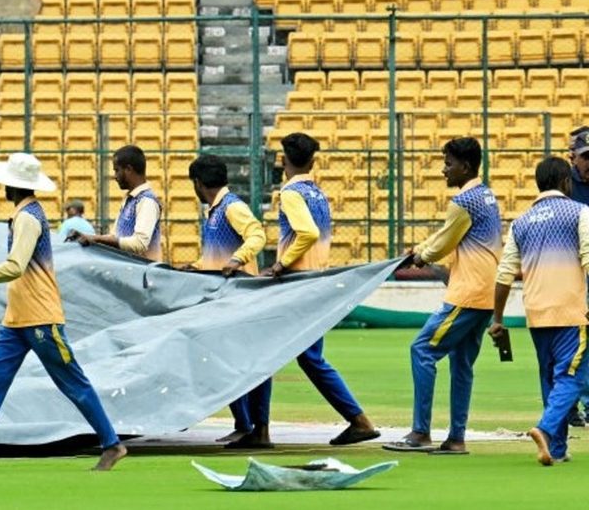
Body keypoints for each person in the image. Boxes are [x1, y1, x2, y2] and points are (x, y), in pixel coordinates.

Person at [0, 152, 127, 473]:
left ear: (12, 186)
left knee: (71, 381)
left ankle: (112, 443)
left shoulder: (27, 217)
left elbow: (15, 266)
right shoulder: (24, 214)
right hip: (18, 318)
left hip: (40, 317)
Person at [229, 133, 380, 449]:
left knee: (280, 354)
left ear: (283, 160)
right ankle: (262, 428)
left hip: (298, 282)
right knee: (304, 358)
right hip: (317, 278)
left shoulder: (291, 194)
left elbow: (307, 233)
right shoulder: (318, 193)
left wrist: (281, 264)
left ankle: (356, 420)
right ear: (313, 161)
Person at [384, 137, 502, 455]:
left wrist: (421, 256)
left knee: (422, 349)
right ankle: (456, 438)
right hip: (485, 293)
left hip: (466, 294)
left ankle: (421, 432)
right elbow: (446, 234)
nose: (443, 170)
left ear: (465, 166)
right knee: (462, 365)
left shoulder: (463, 202)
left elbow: (443, 243)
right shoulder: (486, 195)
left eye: (448, 163)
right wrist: (420, 250)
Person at [491, 156, 589, 466]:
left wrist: (497, 319)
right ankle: (545, 430)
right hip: (571, 311)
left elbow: (504, 274)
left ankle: (556, 449)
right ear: (565, 182)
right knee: (574, 377)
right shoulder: (580, 213)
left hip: (536, 312)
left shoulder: (521, 222)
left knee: (551, 378)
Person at [183, 154, 267, 444]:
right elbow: (214, 253)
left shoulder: (232, 207)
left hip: (241, 297)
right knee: (228, 362)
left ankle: (258, 427)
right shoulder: (215, 210)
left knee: (248, 364)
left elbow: (257, 234)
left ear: (197, 182)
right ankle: (245, 424)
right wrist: (195, 265)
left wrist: (237, 259)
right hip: (223, 299)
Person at [66, 145, 162, 261]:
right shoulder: (130, 199)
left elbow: (139, 244)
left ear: (128, 169)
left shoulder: (147, 201)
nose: (115, 176)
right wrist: (89, 237)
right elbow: (115, 237)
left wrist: (96, 239)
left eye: (117, 170)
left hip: (143, 273)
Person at [565, 127, 589, 426]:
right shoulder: (564, 183)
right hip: (569, 270)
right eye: (586, 157)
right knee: (571, 342)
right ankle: (569, 405)